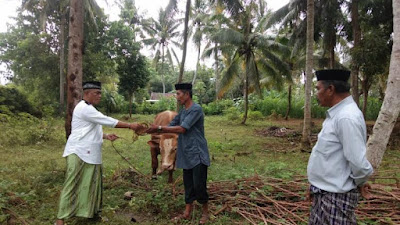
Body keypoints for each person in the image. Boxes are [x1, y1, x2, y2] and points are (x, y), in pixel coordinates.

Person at [55, 81, 144, 225]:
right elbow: (106, 120)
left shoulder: (89, 109)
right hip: (79, 152)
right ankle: (60, 219)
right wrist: (130, 125)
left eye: (100, 93)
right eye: (97, 93)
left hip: (90, 154)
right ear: (87, 93)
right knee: (72, 184)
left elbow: (88, 128)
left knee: (91, 184)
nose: (100, 96)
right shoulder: (84, 108)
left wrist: (106, 136)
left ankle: (90, 214)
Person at [307, 70, 374, 225]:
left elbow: (357, 161)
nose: (316, 93)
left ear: (330, 89)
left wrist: (361, 180)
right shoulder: (338, 115)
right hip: (325, 194)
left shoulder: (346, 117)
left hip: (336, 198)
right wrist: (315, 185)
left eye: (318, 89)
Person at [146, 83, 211, 224]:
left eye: (179, 94)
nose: (177, 97)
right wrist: (151, 130)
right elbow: (170, 126)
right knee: (188, 184)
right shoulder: (183, 111)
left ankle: (205, 212)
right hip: (185, 153)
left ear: (187, 94)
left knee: (199, 185)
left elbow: (182, 129)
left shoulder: (196, 109)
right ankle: (187, 212)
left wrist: (158, 127)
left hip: (197, 153)